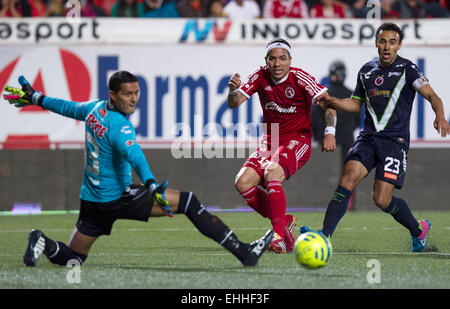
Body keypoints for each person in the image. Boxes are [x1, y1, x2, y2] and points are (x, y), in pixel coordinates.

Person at [3, 71, 273, 267]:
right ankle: (243, 253)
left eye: (136, 93)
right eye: (127, 94)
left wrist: (36, 97)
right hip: (119, 198)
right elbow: (136, 157)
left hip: (92, 201)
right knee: (189, 201)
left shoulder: (95, 109)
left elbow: (67, 107)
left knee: (74, 257)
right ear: (113, 95)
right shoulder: (120, 126)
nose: (133, 99)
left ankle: (42, 242)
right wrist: (152, 184)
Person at [301, 23, 450, 252]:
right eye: (383, 41)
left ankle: (418, 230)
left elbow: (432, 95)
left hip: (394, 142)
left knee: (381, 199)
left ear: (399, 45)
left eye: (392, 42)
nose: (387, 47)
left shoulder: (408, 69)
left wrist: (440, 114)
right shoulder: (366, 71)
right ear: (376, 43)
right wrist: (333, 102)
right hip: (368, 138)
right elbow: (355, 104)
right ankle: (325, 235)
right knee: (347, 178)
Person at [228, 38, 337, 254]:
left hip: (298, 139)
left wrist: (329, 132)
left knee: (272, 172)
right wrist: (232, 91)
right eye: (272, 58)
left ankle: (276, 235)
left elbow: (328, 104)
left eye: (282, 58)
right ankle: (284, 221)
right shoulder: (260, 76)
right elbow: (235, 102)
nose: (277, 64)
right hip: (271, 141)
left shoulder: (300, 77)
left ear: (290, 60)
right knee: (242, 182)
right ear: (266, 60)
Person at [311, 60, 361, 209]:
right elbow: (358, 119)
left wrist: (320, 136)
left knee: (330, 174)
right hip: (347, 140)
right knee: (348, 174)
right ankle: (347, 204)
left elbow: (314, 118)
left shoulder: (324, 95)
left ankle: (322, 203)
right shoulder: (351, 95)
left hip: (326, 141)